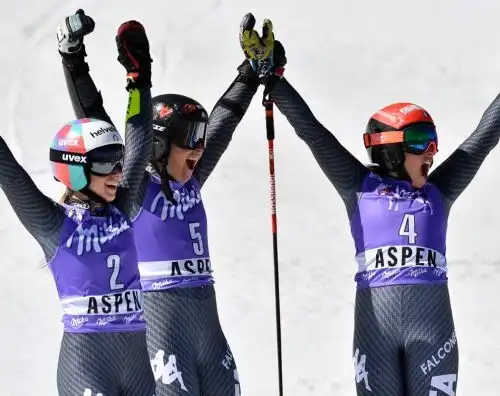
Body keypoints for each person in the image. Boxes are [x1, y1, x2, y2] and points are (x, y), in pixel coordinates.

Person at [238, 12, 500, 396]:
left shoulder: (438, 191)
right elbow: (313, 132)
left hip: (433, 336)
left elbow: (485, 136)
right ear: (391, 150)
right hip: (375, 335)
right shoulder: (358, 186)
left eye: (433, 139)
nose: (432, 149)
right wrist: (273, 79)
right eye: (419, 139)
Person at [57, 9, 261, 395]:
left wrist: (251, 73)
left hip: (207, 330)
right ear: (159, 144)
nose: (200, 148)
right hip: (162, 330)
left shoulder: (191, 178)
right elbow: (93, 117)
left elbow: (225, 121)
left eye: (201, 140)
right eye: (190, 139)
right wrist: (73, 58)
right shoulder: (132, 187)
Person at [0, 19, 156, 396]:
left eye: (117, 163)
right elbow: (8, 171)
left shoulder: (123, 205)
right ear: (74, 170)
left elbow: (139, 139)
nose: (118, 173)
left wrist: (139, 79)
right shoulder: (53, 225)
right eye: (106, 165)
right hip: (86, 368)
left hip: (138, 367)